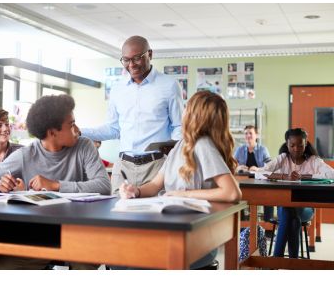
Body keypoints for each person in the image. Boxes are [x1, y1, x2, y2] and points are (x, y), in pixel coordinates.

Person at [0, 95, 111, 270]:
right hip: (40, 234)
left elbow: (104, 186)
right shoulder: (27, 154)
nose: (77, 129)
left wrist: (56, 185)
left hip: (81, 231)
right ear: (52, 133)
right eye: (71, 125)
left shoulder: (84, 146)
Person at [119, 91, 242, 269]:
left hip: (195, 240)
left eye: (186, 107)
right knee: (124, 255)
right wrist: (135, 191)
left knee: (125, 259)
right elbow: (154, 185)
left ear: (195, 116)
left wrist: (183, 194)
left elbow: (231, 192)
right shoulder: (181, 145)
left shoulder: (203, 145)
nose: (182, 111)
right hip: (175, 229)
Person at [81, 35, 184, 193]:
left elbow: (179, 126)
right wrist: (80, 132)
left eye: (137, 58)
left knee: (157, 215)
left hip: (156, 167)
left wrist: (175, 155)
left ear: (149, 54)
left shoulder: (169, 85)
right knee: (117, 214)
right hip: (123, 167)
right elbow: (113, 129)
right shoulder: (117, 89)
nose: (131, 65)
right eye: (126, 60)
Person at [258, 128, 334, 258]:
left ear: (306, 144)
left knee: (289, 214)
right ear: (287, 144)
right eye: (292, 145)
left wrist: (305, 176)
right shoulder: (283, 158)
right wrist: (284, 176)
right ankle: (293, 262)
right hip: (285, 205)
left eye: (300, 145)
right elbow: (260, 173)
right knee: (293, 219)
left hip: (305, 209)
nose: (296, 149)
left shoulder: (313, 160)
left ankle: (275, 261)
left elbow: (332, 174)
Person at [234, 125, 273, 221]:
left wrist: (258, 169)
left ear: (256, 135)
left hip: (261, 184)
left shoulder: (263, 149)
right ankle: (241, 226)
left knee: (270, 198)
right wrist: (238, 167)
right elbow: (231, 165)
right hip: (244, 184)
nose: (248, 135)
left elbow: (270, 167)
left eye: (250, 133)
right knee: (237, 198)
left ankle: (268, 227)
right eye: (246, 133)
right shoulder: (239, 150)